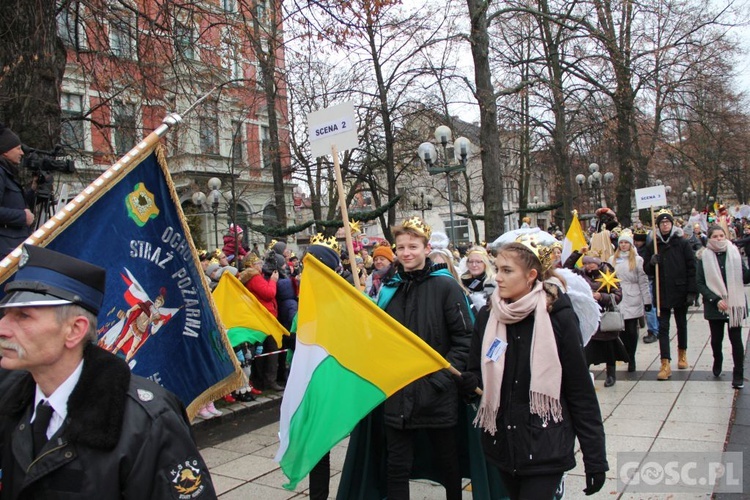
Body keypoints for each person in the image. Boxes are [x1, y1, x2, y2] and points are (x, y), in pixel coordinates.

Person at [0, 244, 215, 498]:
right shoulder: (10, 396)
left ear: (74, 330)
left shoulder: (148, 421)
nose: (3, 328)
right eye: (5, 314)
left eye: (23, 316)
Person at [455, 242, 608, 499]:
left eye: (507, 270)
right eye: (497, 269)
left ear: (531, 276)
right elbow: (477, 373)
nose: (498, 277)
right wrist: (470, 384)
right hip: (503, 444)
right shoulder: (488, 316)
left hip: (546, 444)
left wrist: (595, 458)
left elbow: (579, 389)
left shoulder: (557, 316)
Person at [377, 217, 473, 500]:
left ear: (426, 248)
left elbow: (464, 340)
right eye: (401, 247)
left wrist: (440, 381)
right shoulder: (389, 290)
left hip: (436, 394)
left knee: (448, 463)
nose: (406, 253)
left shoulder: (446, 287)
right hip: (398, 392)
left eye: (413, 246)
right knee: (396, 466)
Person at [643, 209, 697, 380]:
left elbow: (691, 267)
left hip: (680, 289)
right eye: (661, 223)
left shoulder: (681, 243)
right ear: (658, 226)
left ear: (672, 224)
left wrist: (692, 291)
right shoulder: (654, 244)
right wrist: (652, 263)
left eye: (667, 222)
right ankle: (665, 362)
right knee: (663, 328)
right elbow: (646, 267)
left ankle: (682, 353)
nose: (665, 225)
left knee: (681, 324)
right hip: (662, 291)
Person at [696, 225, 750, 389]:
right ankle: (717, 359)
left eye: (722, 235)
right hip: (715, 306)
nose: (719, 239)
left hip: (734, 303)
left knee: (736, 340)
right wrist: (715, 299)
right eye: (716, 236)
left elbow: (745, 278)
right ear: (709, 238)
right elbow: (700, 283)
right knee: (716, 339)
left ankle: (738, 373)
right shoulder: (703, 257)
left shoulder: (734, 254)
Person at [610, 229, 652, 373]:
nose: (623, 245)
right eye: (621, 242)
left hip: (633, 295)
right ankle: (625, 354)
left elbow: (643, 281)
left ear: (630, 244)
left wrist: (647, 300)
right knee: (620, 329)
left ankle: (632, 356)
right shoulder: (612, 259)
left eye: (626, 243)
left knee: (632, 329)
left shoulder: (638, 260)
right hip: (618, 296)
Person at [0, 124, 34, 257]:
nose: (22, 153)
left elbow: (16, 205)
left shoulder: (8, 173)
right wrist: (22, 217)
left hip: (12, 248)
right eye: (18, 148)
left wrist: (34, 189)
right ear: (5, 151)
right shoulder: (1, 173)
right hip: (5, 252)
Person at [460, 246, 496, 313]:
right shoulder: (462, 281)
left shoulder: (491, 282)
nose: (474, 265)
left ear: (485, 263)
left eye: (478, 262)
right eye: (471, 261)